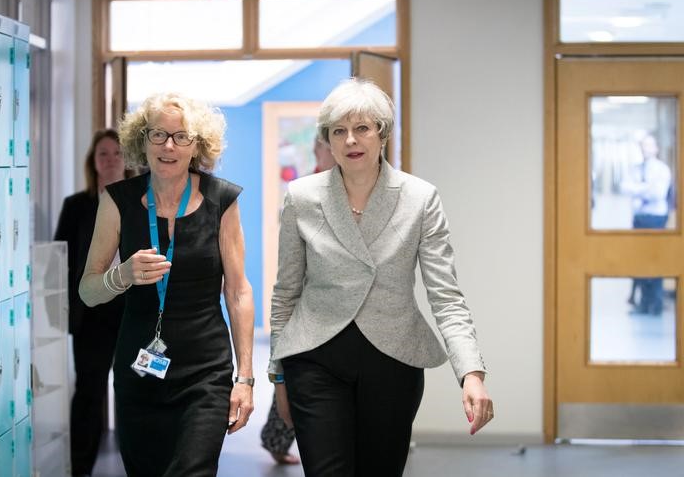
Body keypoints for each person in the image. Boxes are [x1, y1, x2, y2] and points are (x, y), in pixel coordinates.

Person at [268, 78, 493, 477]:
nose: (351, 140)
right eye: (339, 131)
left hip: (393, 361)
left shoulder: (419, 198)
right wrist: (279, 375)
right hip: (315, 360)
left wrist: (471, 374)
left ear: (382, 134)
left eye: (362, 128)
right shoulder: (302, 197)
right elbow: (286, 293)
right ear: (328, 140)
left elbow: (446, 296)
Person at [78, 92, 255, 476]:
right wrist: (122, 274)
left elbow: (238, 291)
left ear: (197, 146)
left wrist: (245, 377)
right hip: (139, 371)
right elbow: (87, 291)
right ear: (143, 141)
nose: (168, 146)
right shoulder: (118, 200)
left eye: (181, 137)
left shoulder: (221, 199)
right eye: (158, 135)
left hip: (205, 372)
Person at [54, 128, 132, 477]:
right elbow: (62, 260)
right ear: (93, 162)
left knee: (133, 385)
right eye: (103, 154)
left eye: (116, 153)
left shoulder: (140, 200)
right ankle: (80, 466)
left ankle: (138, 460)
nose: (110, 159)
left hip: (131, 309)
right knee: (89, 390)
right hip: (92, 311)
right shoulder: (77, 205)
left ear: (126, 159)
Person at [260, 136, 336, 465]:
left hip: (333, 301)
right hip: (305, 297)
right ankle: (277, 439)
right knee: (291, 372)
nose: (335, 151)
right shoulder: (305, 190)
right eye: (327, 146)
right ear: (318, 149)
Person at [622, 133, 672, 315]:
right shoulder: (636, 169)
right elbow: (625, 187)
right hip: (639, 218)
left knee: (655, 259)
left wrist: (638, 190)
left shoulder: (662, 170)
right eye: (643, 145)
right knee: (639, 261)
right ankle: (643, 303)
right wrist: (646, 188)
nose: (646, 149)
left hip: (656, 219)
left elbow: (657, 194)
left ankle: (656, 304)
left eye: (649, 145)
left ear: (656, 148)